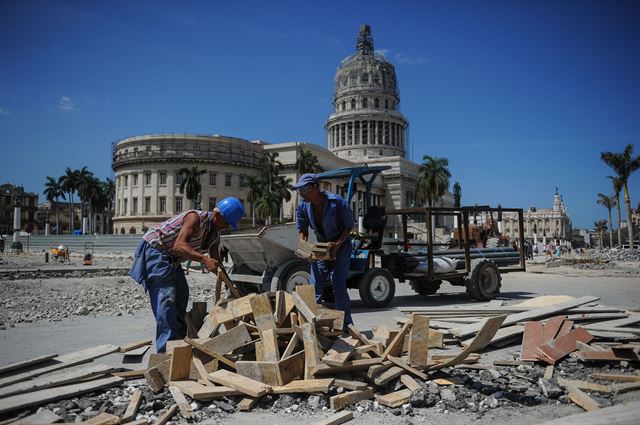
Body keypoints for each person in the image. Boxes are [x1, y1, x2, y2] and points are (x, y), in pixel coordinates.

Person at [129, 197, 244, 352]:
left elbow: (216, 262)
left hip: (172, 257)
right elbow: (179, 245)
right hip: (156, 249)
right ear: (217, 216)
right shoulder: (195, 218)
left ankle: (179, 345)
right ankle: (165, 352)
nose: (226, 227)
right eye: (225, 222)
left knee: (182, 293)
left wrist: (231, 285)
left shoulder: (214, 235)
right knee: (166, 299)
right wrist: (204, 259)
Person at [295, 173, 355, 330]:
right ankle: (315, 324)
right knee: (316, 284)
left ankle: (345, 325)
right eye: (300, 191)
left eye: (305, 190)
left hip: (341, 243)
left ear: (316, 187)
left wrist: (337, 244)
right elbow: (302, 229)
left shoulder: (337, 202)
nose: (302, 194)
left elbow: (349, 226)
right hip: (321, 245)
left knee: (338, 283)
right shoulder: (303, 205)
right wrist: (304, 245)